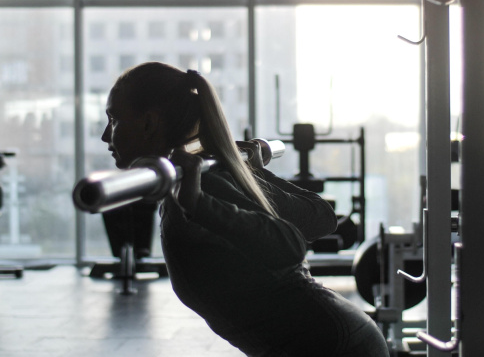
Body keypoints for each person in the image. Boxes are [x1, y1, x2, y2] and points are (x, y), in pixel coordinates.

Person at [101, 61, 390, 357]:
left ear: (149, 123)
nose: (105, 135)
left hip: (333, 347)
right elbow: (323, 222)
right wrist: (249, 173)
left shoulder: (204, 187)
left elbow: (304, 233)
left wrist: (222, 192)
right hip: (337, 338)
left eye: (113, 119)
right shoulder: (199, 179)